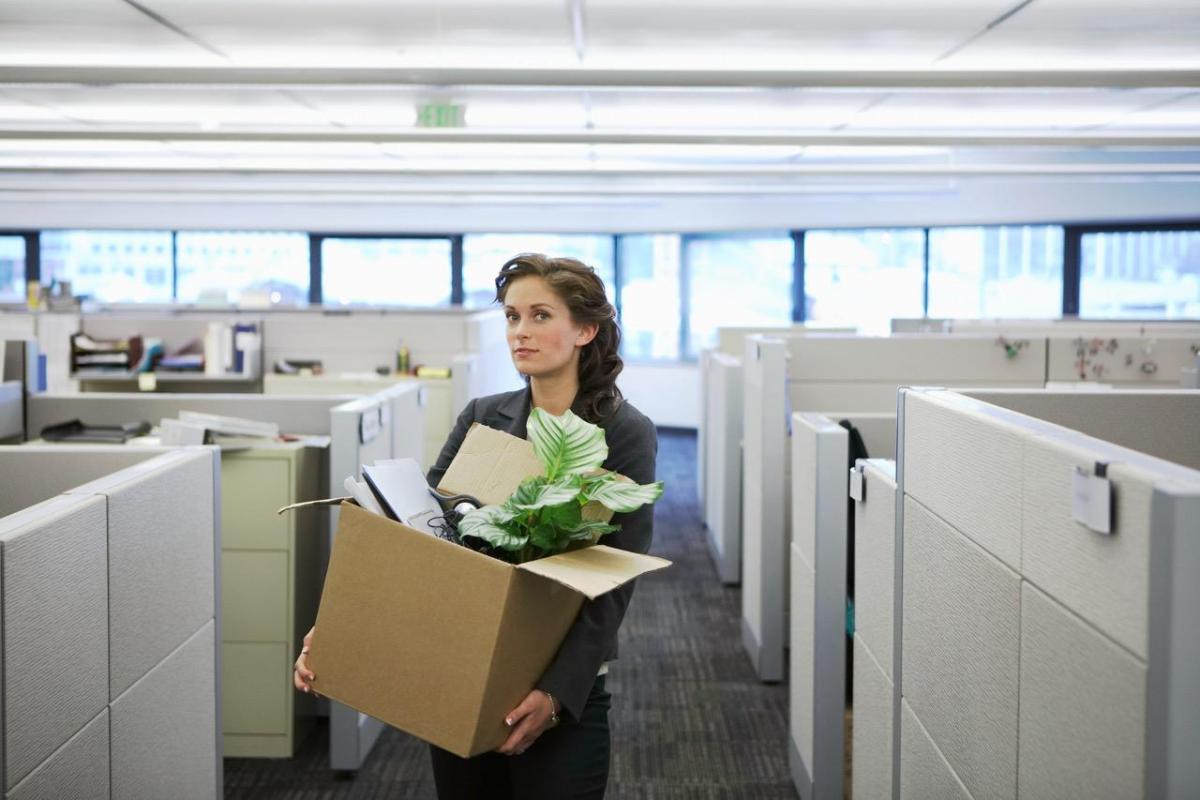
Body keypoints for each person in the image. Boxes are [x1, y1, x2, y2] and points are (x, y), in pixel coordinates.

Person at [294, 253, 658, 799]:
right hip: (463, 668)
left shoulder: (622, 432)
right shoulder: (483, 417)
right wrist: (343, 625)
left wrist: (556, 694)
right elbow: (419, 542)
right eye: (512, 317)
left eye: (540, 316)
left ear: (585, 329)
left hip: (562, 682)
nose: (520, 333)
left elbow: (612, 579)